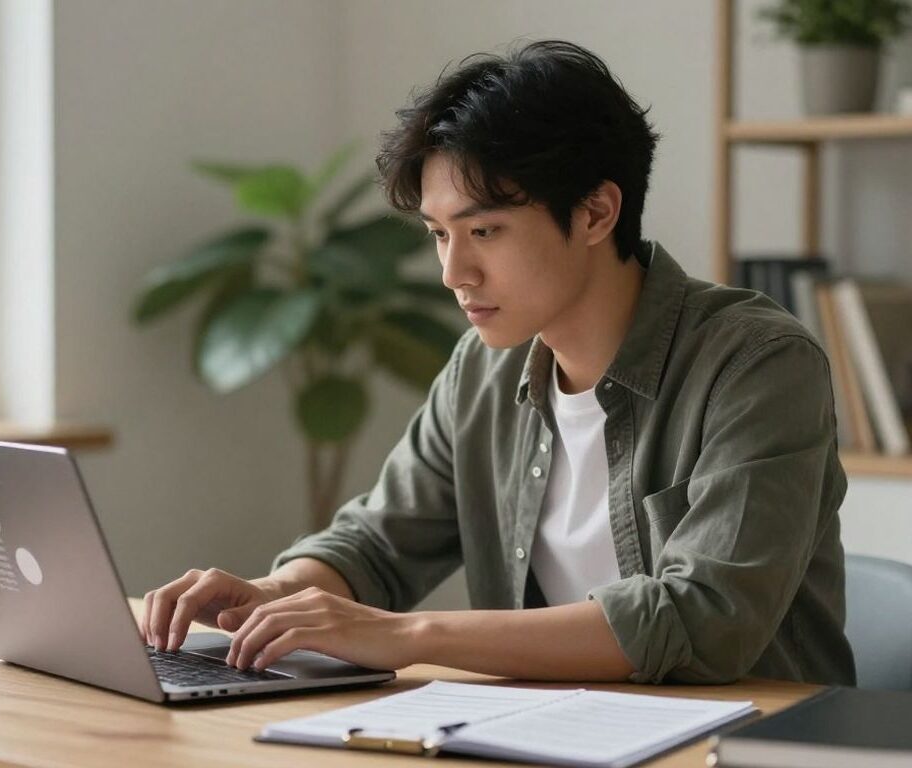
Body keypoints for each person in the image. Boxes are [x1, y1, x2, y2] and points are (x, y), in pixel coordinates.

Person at [140, 40, 855, 685]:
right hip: (548, 738)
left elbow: (703, 618)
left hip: (748, 744)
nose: (455, 273)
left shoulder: (758, 365)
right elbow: (378, 542)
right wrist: (278, 592)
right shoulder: (483, 370)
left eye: (484, 230)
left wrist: (404, 636)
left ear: (597, 214)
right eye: (438, 235)